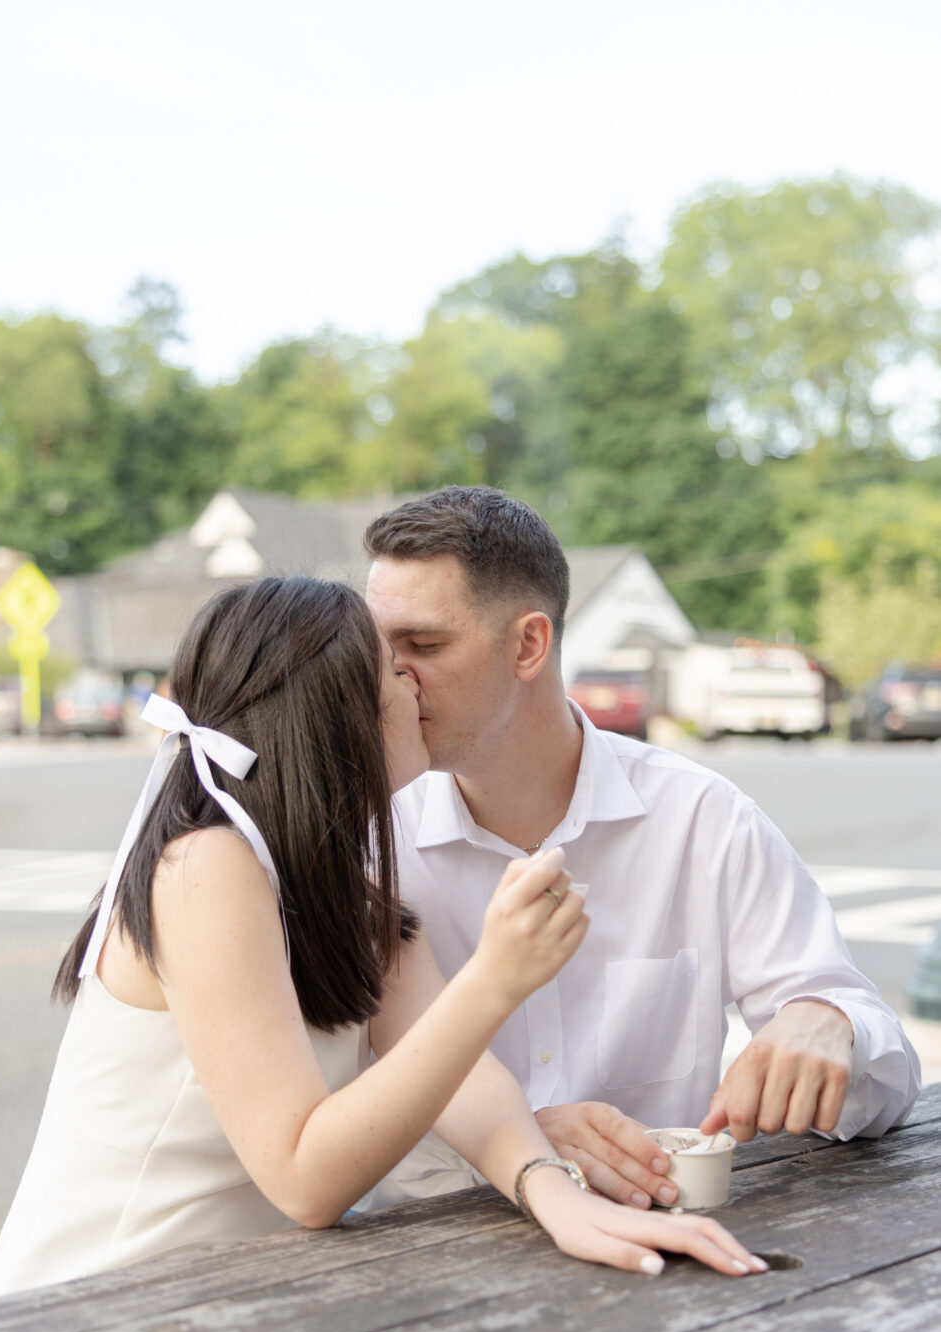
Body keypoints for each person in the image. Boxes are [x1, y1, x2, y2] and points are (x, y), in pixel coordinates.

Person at [0, 577, 766, 1298]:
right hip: (95, 1306)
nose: (413, 683)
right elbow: (303, 1178)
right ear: (333, 710)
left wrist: (555, 1196)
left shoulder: (350, 893)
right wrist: (495, 980)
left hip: (229, 1305)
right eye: (394, 669)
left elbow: (463, 1081)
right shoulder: (204, 868)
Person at [360, 487, 921, 1211]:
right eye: (381, 651)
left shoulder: (701, 820)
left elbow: (891, 1084)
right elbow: (325, 1126)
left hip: (668, 1264)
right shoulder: (367, 844)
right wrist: (514, 1142)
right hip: (412, 1278)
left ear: (528, 644)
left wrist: (831, 1021)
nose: (391, 680)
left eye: (424, 646)